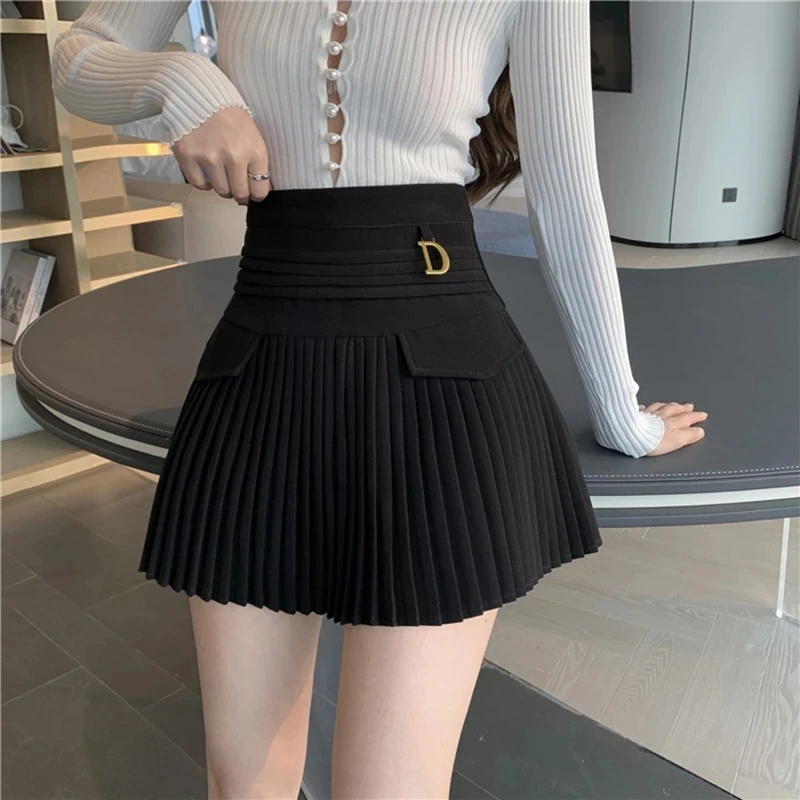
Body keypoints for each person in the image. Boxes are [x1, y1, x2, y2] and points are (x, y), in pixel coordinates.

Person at [52, 2, 708, 798]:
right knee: (243, 780)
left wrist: (622, 415)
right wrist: (184, 83)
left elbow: (568, 193)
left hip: (446, 385)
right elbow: (76, 55)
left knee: (387, 788)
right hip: (263, 365)